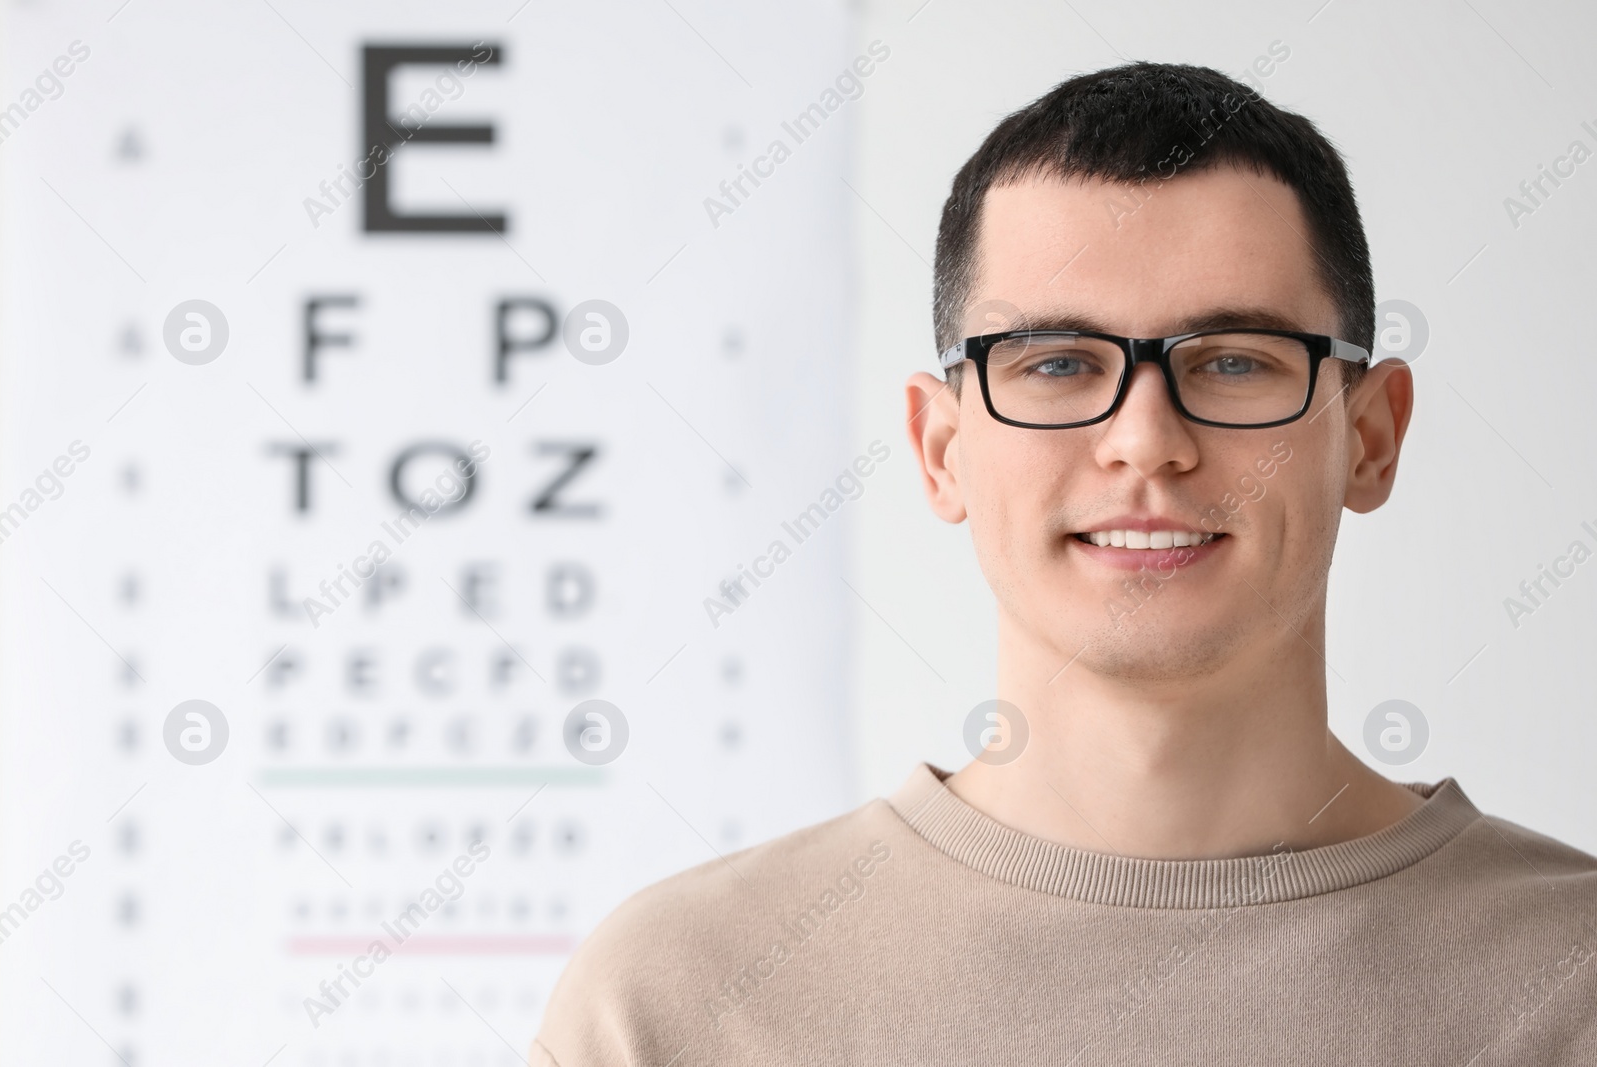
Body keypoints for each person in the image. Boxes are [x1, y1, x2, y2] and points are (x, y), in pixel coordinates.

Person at [531, 61, 1597, 1065]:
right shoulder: (674, 1005)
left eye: (1231, 361)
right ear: (940, 449)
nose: (1145, 440)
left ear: (1369, 436)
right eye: (1054, 362)